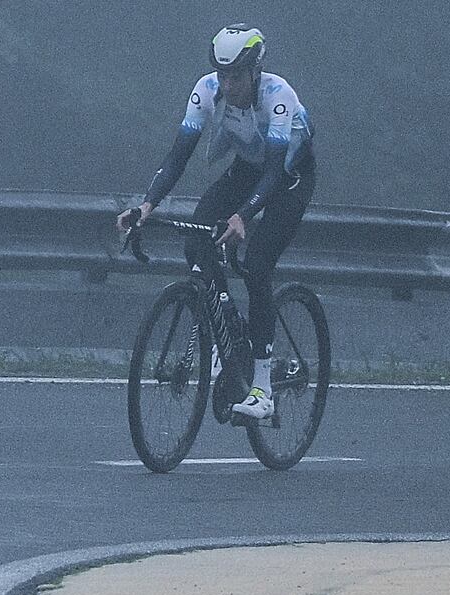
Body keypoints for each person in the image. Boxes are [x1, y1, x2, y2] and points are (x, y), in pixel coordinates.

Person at [120, 26, 315, 414]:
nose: (229, 85)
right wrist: (146, 207)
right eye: (223, 75)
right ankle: (224, 340)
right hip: (247, 170)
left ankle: (263, 390)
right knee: (196, 243)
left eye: (237, 76)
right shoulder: (207, 89)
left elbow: (275, 172)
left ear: (255, 72)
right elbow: (177, 157)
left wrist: (243, 215)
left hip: (288, 181)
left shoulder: (279, 96)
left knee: (256, 265)